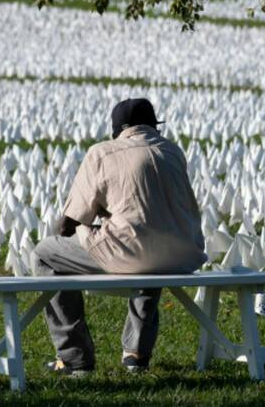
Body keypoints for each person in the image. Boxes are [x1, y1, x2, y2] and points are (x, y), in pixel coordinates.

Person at [34, 97, 207, 376]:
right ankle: (136, 353)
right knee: (149, 246)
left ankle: (74, 357)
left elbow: (69, 224)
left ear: (117, 130)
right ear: (153, 126)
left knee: (46, 252)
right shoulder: (173, 151)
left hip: (135, 252)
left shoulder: (102, 153)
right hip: (185, 253)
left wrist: (90, 222)